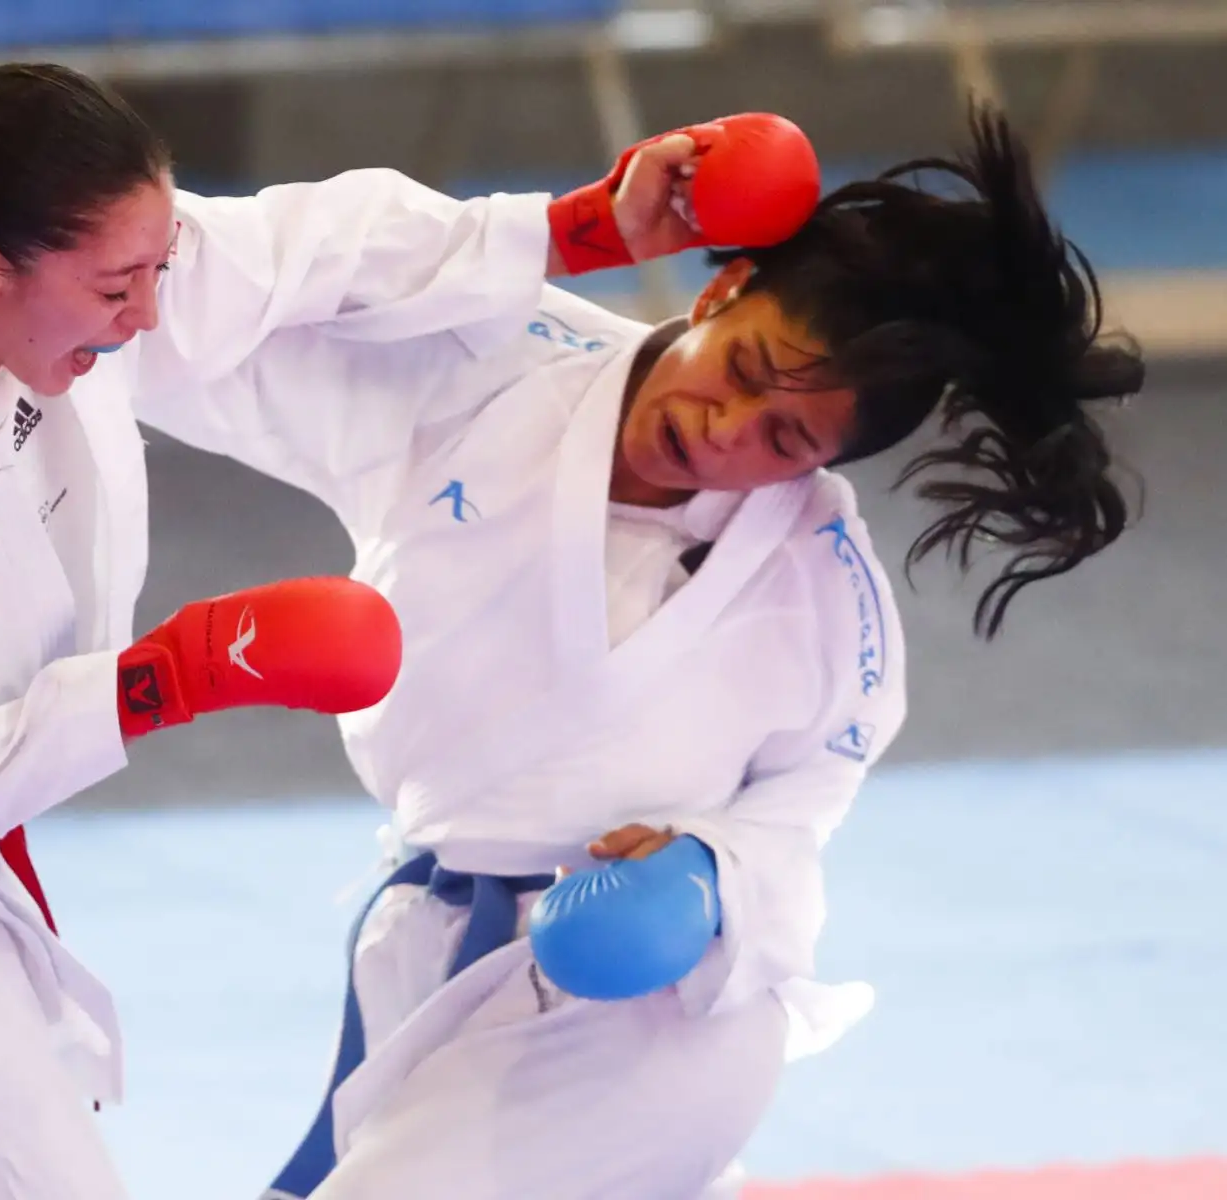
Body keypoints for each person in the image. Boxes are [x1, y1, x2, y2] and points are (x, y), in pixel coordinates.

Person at [0, 58, 810, 1198]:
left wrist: (579, 225)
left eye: (160, 267)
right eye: (121, 288)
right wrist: (171, 679)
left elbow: (302, 248)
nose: (152, 316)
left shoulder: (43, 247)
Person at [124, 105, 1137, 1197]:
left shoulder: (822, 584)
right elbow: (188, 277)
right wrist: (577, 227)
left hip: (656, 1012)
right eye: (744, 368)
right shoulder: (487, 364)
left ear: (823, 462)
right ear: (718, 294)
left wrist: (713, 872)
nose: (725, 428)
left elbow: (807, 800)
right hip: (435, 940)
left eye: (784, 439)